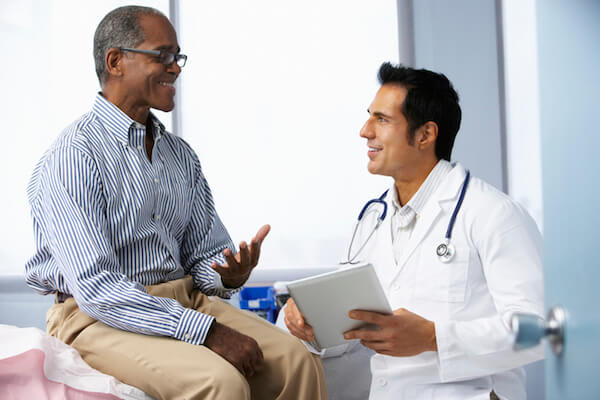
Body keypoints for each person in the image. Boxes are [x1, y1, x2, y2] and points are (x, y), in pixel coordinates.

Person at [24, 6, 327, 400]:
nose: (176, 68)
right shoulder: (73, 156)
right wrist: (207, 331)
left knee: (297, 359)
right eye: (163, 56)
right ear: (115, 61)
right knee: (220, 382)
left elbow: (202, 256)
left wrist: (227, 275)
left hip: (185, 301)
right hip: (96, 316)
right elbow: (98, 289)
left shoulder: (180, 155)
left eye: (177, 57)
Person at [283, 62, 544, 400]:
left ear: (425, 134)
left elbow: (537, 331)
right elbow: (350, 327)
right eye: (369, 116)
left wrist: (434, 337)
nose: (365, 131)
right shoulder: (371, 221)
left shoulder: (493, 214)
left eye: (382, 119)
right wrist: (309, 322)